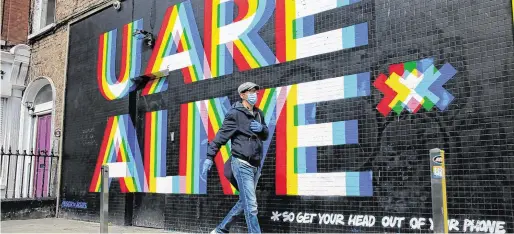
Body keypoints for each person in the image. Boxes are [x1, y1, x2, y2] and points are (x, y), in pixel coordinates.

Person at [200, 82, 269, 234]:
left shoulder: (259, 113)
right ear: (242, 95)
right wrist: (210, 157)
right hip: (241, 163)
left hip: (255, 166)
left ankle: (220, 230)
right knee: (251, 205)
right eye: (250, 92)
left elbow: (265, 135)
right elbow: (220, 136)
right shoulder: (235, 114)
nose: (254, 95)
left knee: (244, 202)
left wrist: (262, 128)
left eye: (255, 92)